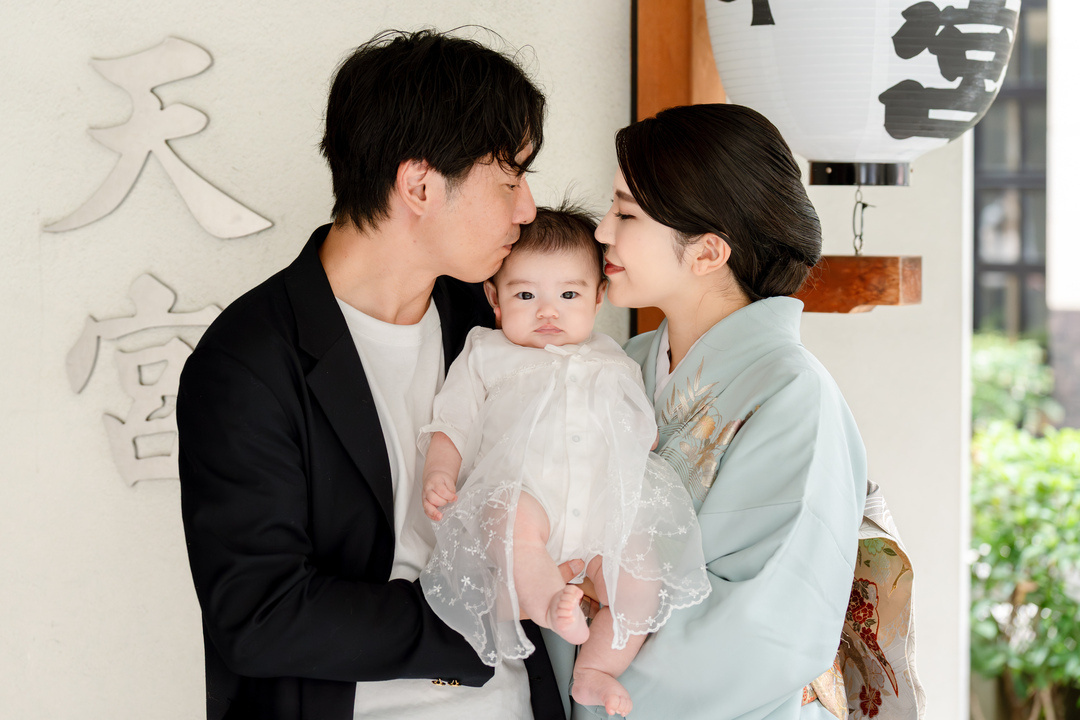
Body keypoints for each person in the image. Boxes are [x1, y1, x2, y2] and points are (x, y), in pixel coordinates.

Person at [176, 29, 576, 720]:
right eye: (511, 179)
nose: (527, 209)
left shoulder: (491, 321)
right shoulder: (248, 363)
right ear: (419, 185)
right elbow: (261, 614)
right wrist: (479, 613)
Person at [549, 102, 920, 720]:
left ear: (707, 252)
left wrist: (596, 651)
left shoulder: (794, 396)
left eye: (626, 213)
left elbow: (762, 632)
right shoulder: (618, 366)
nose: (603, 232)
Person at [418, 207, 711, 718]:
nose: (548, 312)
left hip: (599, 509)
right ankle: (548, 604)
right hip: (524, 494)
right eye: (525, 296)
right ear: (494, 298)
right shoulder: (486, 352)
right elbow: (452, 422)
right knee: (511, 522)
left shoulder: (613, 356)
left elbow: (637, 424)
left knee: (640, 578)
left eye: (569, 296)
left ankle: (595, 670)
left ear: (598, 297)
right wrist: (439, 471)